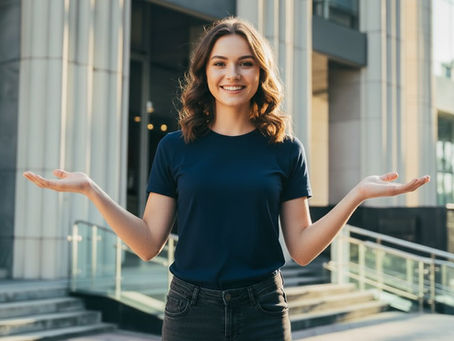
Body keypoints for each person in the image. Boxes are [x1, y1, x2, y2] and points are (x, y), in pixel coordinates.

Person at [23, 17, 430, 341]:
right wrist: (91, 190)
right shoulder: (175, 148)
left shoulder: (286, 149)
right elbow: (148, 243)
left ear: (259, 72)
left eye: (245, 62)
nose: (231, 74)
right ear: (205, 72)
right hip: (189, 311)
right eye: (220, 62)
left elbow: (302, 249)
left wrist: (356, 194)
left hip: (264, 310)